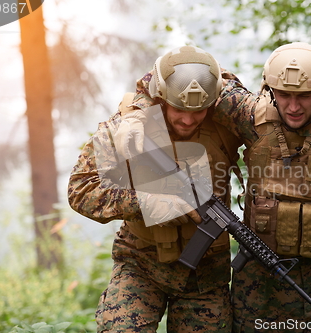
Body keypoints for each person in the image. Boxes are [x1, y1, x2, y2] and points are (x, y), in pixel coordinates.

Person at [126, 42, 311, 332]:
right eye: (284, 95)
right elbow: (199, 78)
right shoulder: (250, 115)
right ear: (269, 90)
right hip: (255, 283)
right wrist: (142, 106)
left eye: (305, 96)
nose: (294, 106)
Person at [67, 45, 244, 333]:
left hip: (206, 276)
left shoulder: (228, 122)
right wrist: (153, 203)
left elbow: (275, 115)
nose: (188, 119)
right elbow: (81, 190)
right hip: (141, 264)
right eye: (179, 109)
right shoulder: (128, 126)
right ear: (161, 98)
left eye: (198, 111)